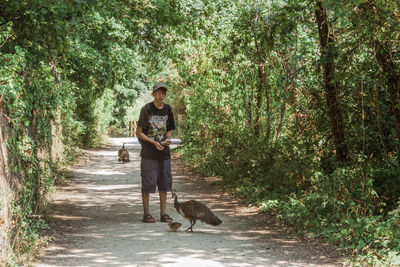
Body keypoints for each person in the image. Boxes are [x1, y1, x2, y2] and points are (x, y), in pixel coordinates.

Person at [136, 82, 176, 223]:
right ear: (153, 94)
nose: (161, 95)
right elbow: (139, 132)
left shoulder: (168, 109)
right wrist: (153, 142)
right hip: (148, 153)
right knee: (147, 184)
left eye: (163, 93)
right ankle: (146, 214)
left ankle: (163, 213)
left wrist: (168, 139)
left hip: (164, 153)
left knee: (164, 184)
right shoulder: (146, 109)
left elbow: (169, 129)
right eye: (158, 93)